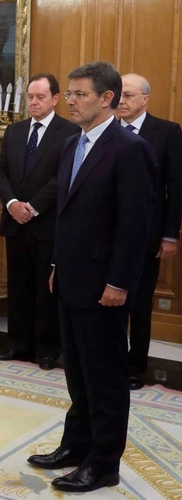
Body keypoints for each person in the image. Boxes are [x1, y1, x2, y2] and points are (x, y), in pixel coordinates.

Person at [27, 61, 156, 493]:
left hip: (105, 287)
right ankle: (76, 444)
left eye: (80, 94)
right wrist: (56, 266)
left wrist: (119, 283)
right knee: (77, 373)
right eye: (69, 93)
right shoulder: (71, 145)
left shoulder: (129, 149)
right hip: (70, 279)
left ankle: (103, 464)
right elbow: (66, 217)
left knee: (105, 377)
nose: (71, 101)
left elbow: (134, 226)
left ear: (106, 99)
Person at [0, 74, 80, 370]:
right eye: (30, 96)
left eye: (40, 97)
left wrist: (33, 207)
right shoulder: (14, 131)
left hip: (47, 224)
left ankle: (47, 348)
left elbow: (63, 177)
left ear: (55, 98)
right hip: (15, 222)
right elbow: (1, 171)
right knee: (18, 287)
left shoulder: (70, 132)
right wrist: (12, 204)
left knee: (46, 290)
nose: (33, 102)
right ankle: (18, 343)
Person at [117, 73, 182, 390]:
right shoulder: (106, 130)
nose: (121, 101)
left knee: (139, 304)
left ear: (145, 98)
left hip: (147, 235)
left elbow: (176, 188)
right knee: (107, 301)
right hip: (108, 235)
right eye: (118, 94)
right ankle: (109, 360)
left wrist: (170, 235)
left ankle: (135, 366)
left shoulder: (167, 132)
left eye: (128, 95)